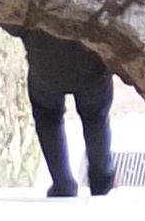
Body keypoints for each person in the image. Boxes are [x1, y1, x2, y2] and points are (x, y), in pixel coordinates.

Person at [20, 28, 118, 198]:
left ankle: (62, 184)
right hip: (91, 63)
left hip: (44, 62)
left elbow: (7, 13)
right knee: (96, 119)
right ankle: (102, 184)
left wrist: (28, 37)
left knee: (47, 118)